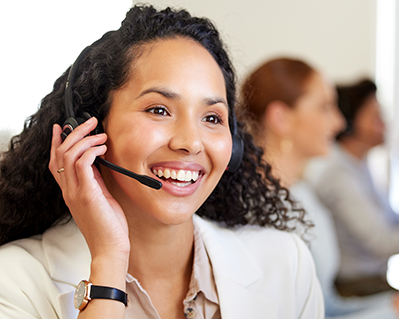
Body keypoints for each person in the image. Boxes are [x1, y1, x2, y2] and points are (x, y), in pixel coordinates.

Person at [0, 5, 324, 319]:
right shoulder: (14, 280)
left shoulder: (286, 265)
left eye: (212, 117)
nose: (190, 142)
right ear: (90, 128)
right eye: (159, 110)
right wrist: (108, 260)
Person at [240, 58, 399, 319]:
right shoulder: (257, 212)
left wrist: (394, 307)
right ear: (281, 118)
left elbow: (324, 305)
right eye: (324, 108)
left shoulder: (303, 195)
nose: (338, 123)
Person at [307, 79, 399, 297]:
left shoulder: (360, 165)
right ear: (351, 122)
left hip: (373, 281)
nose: (385, 124)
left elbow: (392, 218)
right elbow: (381, 241)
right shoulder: (338, 176)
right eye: (376, 117)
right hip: (356, 287)